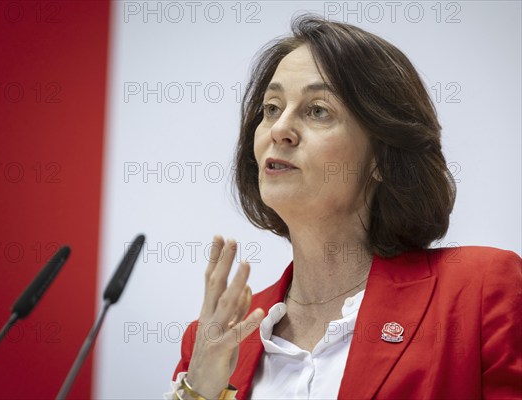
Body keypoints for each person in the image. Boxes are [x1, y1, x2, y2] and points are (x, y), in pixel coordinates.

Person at [165, 15, 522, 400]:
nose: (279, 129)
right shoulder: (218, 336)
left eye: (317, 110)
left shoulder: (478, 293)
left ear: (382, 158)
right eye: (271, 107)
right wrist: (199, 390)